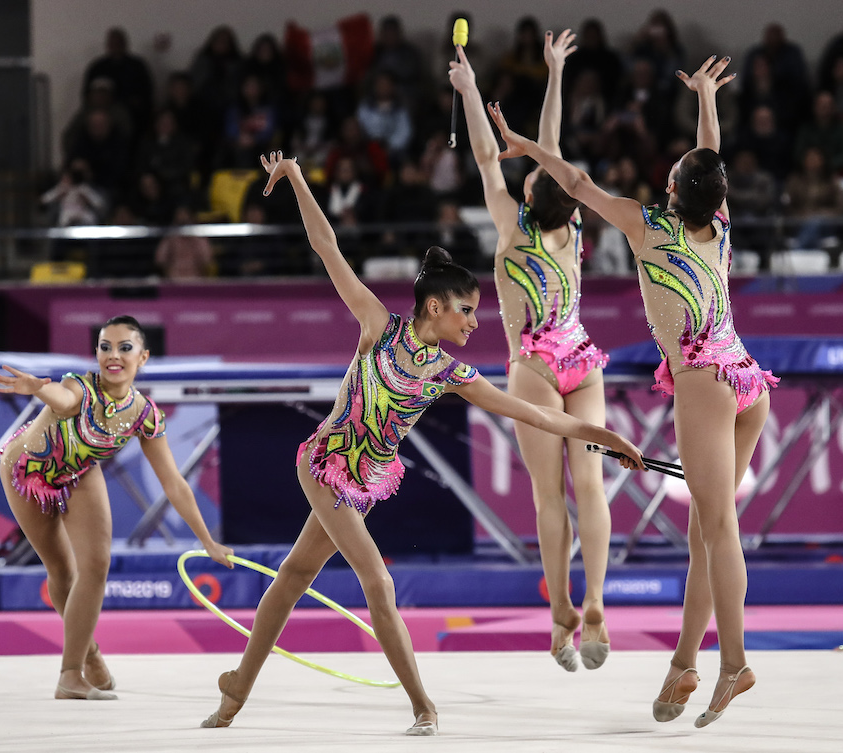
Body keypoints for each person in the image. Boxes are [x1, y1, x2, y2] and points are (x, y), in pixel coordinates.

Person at [198, 150, 646, 735]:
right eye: (466, 311)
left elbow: (536, 416)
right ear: (435, 307)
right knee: (378, 581)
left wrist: (602, 434)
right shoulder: (377, 328)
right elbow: (327, 249)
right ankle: (423, 707)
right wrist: (300, 179)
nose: (475, 323)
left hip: (365, 480)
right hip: (327, 462)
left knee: (292, 576)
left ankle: (237, 686)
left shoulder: (449, 373)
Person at [488, 54, 778, 726]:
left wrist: (527, 146)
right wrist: (706, 97)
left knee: (717, 527)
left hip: (705, 381)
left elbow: (579, 182)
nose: (673, 168)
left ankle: (734, 660)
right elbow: (712, 155)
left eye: (675, 169)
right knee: (709, 531)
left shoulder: (651, 228)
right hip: (748, 377)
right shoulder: (720, 220)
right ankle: (684, 661)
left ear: (675, 188)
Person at [451, 28, 615, 674]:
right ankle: (597, 601)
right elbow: (548, 152)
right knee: (591, 488)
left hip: (534, 367)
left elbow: (490, 158)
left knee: (551, 498)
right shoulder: (573, 224)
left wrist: (467, 90)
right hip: (581, 356)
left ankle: (560, 617)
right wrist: (554, 75)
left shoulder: (512, 233)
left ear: (527, 196)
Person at [0, 316, 233, 700]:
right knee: (61, 569)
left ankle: (69, 676)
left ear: (144, 357)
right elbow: (64, 399)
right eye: (105, 347)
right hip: (27, 472)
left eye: (125, 348)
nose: (113, 356)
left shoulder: (145, 414)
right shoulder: (80, 386)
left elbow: (173, 482)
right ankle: (88, 654)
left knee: (96, 565)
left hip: (79, 472)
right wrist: (39, 389)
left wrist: (208, 541)